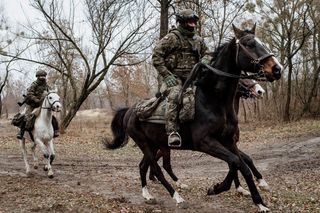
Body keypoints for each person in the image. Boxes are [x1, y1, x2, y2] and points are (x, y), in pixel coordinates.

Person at [152, 9, 210, 147]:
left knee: (199, 99)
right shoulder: (172, 38)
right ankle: (172, 132)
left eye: (194, 21)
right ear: (182, 22)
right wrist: (166, 75)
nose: (193, 24)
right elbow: (156, 56)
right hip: (173, 78)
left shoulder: (198, 40)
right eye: (189, 21)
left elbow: (207, 53)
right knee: (175, 95)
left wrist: (206, 60)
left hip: (193, 78)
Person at [16, 70, 60, 139]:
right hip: (32, 104)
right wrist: (36, 99)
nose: (42, 77)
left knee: (52, 117)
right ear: (38, 77)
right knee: (27, 117)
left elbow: (50, 93)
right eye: (41, 76)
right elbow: (30, 94)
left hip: (42, 104)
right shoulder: (34, 85)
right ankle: (21, 132)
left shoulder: (46, 86)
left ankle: (56, 131)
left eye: (44, 76)